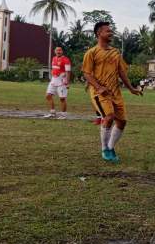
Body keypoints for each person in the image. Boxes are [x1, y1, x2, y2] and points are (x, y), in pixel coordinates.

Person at [82, 22, 143, 163]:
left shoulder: (116, 52)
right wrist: (98, 87)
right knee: (109, 117)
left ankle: (110, 147)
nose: (111, 33)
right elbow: (87, 73)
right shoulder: (91, 53)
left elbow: (122, 72)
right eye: (108, 31)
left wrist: (131, 88)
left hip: (115, 92)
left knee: (122, 122)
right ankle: (105, 149)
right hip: (100, 93)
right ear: (99, 33)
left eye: (111, 31)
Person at [44, 47, 71, 119]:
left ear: (62, 51)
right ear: (54, 51)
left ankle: (63, 115)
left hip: (62, 80)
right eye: (57, 50)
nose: (58, 51)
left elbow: (68, 71)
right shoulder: (53, 58)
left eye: (60, 50)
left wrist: (67, 82)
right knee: (48, 95)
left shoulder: (66, 59)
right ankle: (52, 113)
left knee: (62, 98)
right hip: (54, 79)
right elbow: (54, 68)